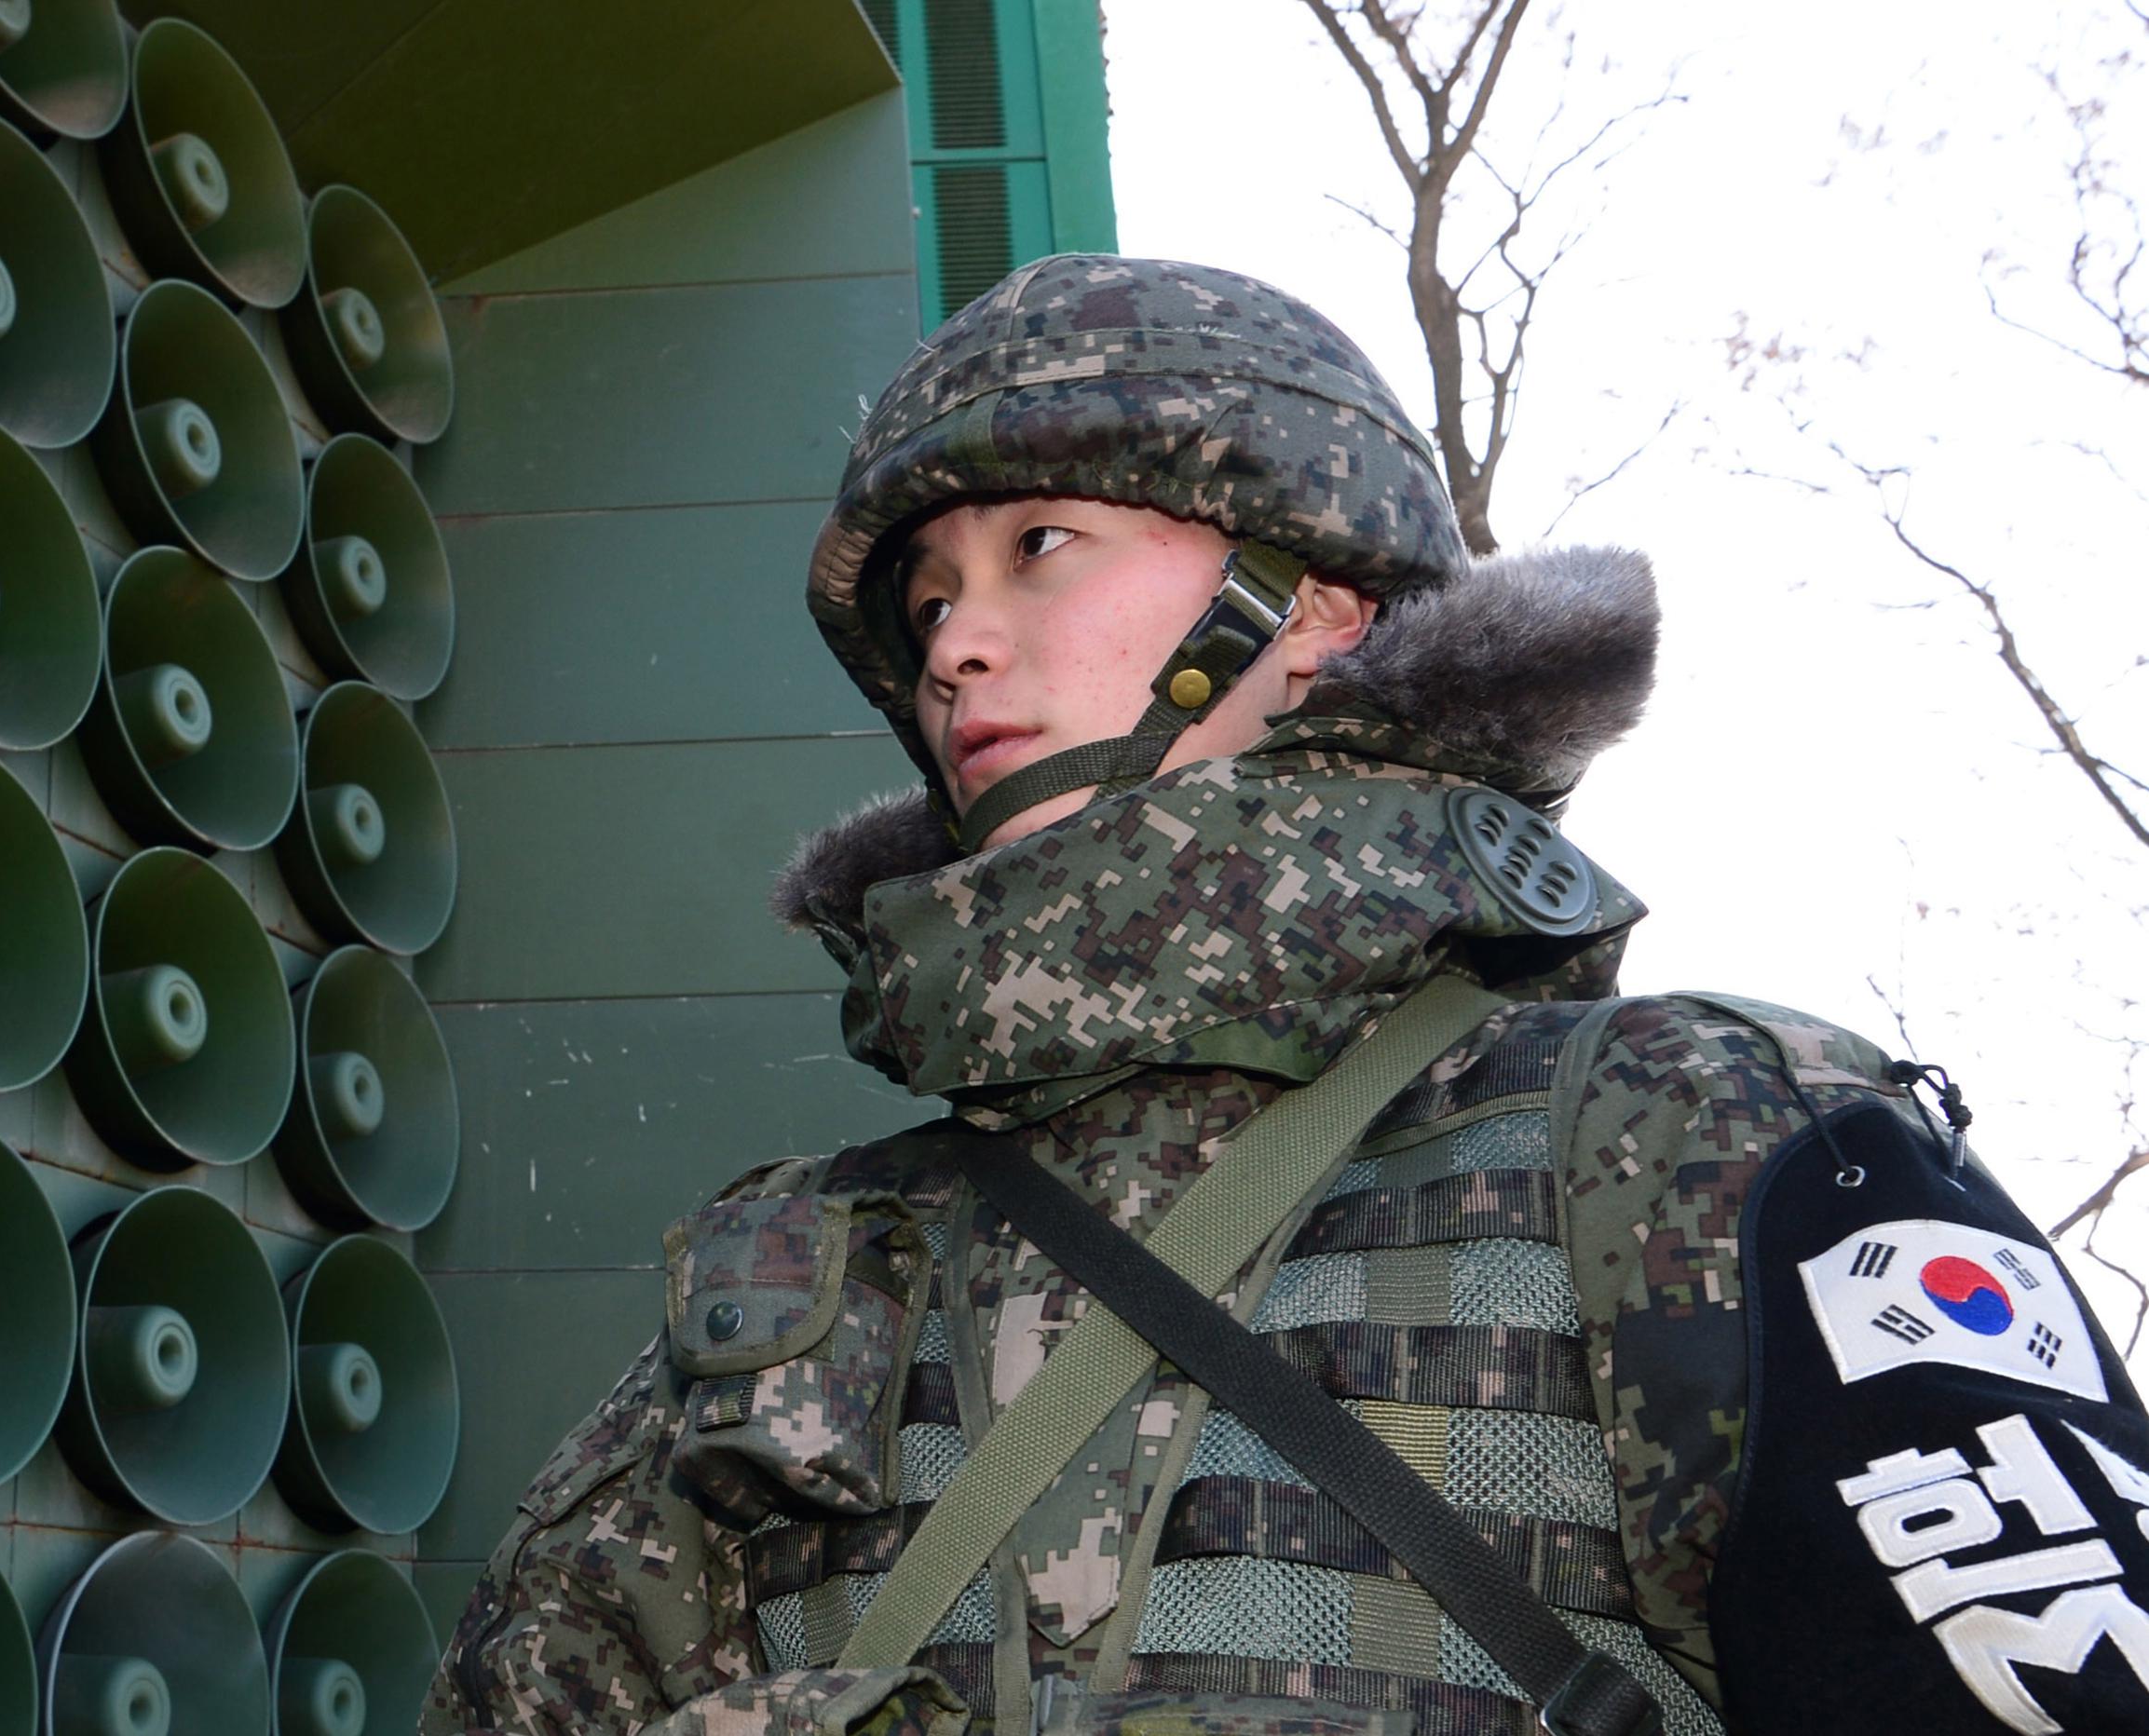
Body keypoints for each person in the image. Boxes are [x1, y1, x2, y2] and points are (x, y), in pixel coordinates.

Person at [417, 256, 2149, 1736]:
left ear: (1309, 604)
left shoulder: (1690, 1131)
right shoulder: (785, 1275)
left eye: (1041, 545)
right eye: (928, 595)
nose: (953, 642)